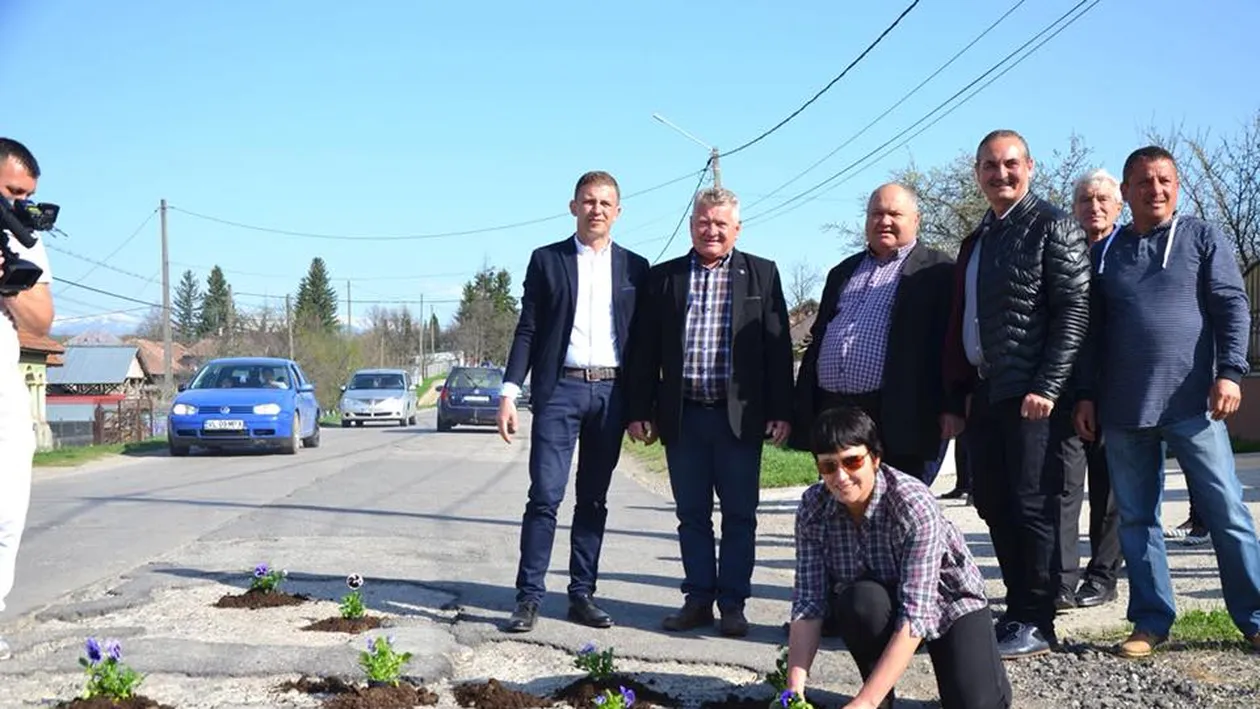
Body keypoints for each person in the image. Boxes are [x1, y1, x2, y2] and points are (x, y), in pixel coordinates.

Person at [1074, 146, 1260, 658]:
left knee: (1226, 511)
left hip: (1192, 405)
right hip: (1123, 409)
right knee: (1137, 520)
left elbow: (1231, 305)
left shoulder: (1201, 236)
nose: (1155, 189)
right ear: (1126, 192)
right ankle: (1151, 621)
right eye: (1144, 181)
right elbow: (1090, 333)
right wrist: (1086, 394)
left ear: (1175, 187)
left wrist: (1229, 373)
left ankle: (1255, 616)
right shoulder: (1105, 253)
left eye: (1165, 181)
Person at [942, 129, 1090, 658]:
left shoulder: (1053, 226)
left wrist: (1049, 385)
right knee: (994, 503)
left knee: (1033, 506)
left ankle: (1040, 618)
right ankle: (1020, 609)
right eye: (988, 166)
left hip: (1034, 396)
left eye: (1009, 164)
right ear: (977, 172)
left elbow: (1073, 310)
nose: (999, 174)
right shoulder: (980, 237)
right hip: (988, 394)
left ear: (1029, 166)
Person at [625, 187, 793, 637]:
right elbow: (644, 352)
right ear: (691, 225)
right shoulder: (665, 278)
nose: (711, 230)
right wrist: (640, 408)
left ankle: (733, 604)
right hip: (685, 418)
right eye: (703, 221)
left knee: (740, 514)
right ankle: (698, 599)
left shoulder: (762, 274)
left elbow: (777, 349)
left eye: (720, 223)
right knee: (691, 514)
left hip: (739, 419)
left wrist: (781, 410)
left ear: (736, 227)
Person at [496, 171, 650, 633]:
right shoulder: (547, 261)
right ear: (573, 206)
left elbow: (643, 344)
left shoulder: (635, 268)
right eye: (588, 201)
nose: (596, 209)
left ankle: (582, 593)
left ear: (618, 212)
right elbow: (528, 329)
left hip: (611, 393)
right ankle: (528, 597)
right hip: (559, 390)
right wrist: (508, 392)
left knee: (594, 498)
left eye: (605, 203)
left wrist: (644, 407)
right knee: (545, 496)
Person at [785, 406, 1011, 709]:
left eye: (852, 461)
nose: (841, 476)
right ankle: (879, 699)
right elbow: (808, 604)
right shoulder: (813, 507)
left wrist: (861, 703)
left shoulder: (912, 503)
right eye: (828, 466)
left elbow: (917, 613)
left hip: (948, 601)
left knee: (975, 704)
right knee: (858, 602)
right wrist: (793, 692)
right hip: (878, 601)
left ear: (875, 459)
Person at [791, 183, 954, 482]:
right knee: (841, 503)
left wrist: (952, 406)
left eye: (894, 213)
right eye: (877, 213)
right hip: (834, 410)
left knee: (897, 507)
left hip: (899, 412)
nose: (884, 221)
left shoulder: (938, 270)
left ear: (916, 220)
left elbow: (950, 345)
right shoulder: (843, 270)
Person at [1058, 169, 1125, 610]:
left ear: (1118, 207)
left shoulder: (1130, 250)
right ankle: (1060, 580)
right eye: (1085, 200)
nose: (1093, 207)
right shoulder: (1064, 251)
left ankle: (1102, 576)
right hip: (1065, 388)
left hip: (1119, 388)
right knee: (1063, 486)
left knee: (1110, 489)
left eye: (1102, 199)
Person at [0, 138, 55, 661]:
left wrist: (7, 281)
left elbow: (41, 320)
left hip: (4, 383)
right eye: (12, 190)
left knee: (7, 510)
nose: (20, 202)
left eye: (28, 194)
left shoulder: (25, 238)